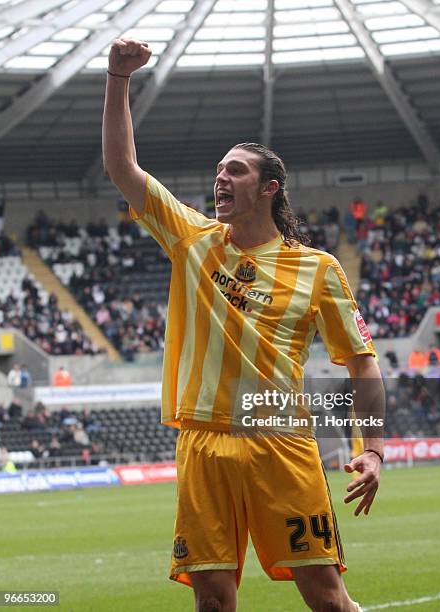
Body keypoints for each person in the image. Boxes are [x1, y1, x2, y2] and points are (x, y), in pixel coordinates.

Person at [103, 38, 384, 612]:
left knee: (328, 599)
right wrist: (117, 79)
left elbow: (362, 361)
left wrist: (373, 447)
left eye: (235, 170)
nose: (220, 179)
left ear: (269, 187)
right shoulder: (193, 240)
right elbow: (121, 167)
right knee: (212, 599)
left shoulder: (318, 269)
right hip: (202, 442)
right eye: (217, 171)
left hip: (280, 441)